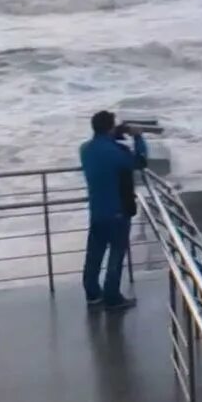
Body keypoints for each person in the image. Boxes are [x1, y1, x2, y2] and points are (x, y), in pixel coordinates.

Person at [80, 111, 146, 310]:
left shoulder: (85, 149)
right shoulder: (118, 153)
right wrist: (137, 137)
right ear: (110, 128)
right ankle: (112, 296)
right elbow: (140, 161)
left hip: (97, 211)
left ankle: (92, 293)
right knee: (116, 255)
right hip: (117, 212)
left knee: (94, 255)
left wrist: (114, 135)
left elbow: (102, 147)